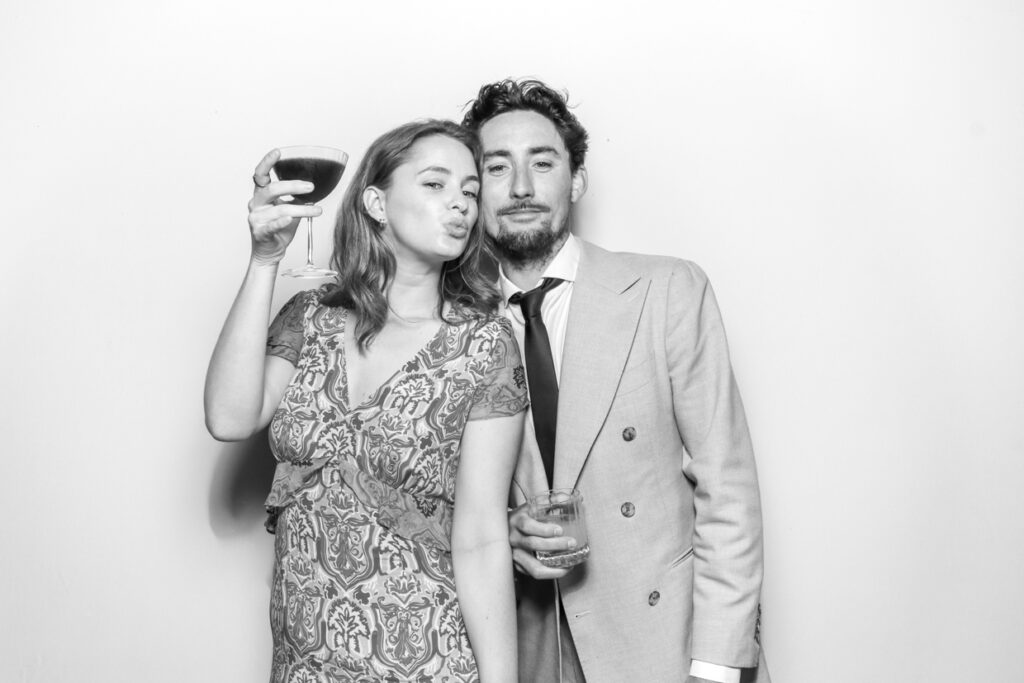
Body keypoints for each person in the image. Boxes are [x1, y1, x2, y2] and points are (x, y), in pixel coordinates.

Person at [461, 79, 770, 683]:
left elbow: (726, 486)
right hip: (526, 645)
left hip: (661, 646)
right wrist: (504, 534)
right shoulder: (454, 326)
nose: (521, 187)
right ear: (474, 194)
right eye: (497, 168)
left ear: (575, 180)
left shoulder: (666, 290)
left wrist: (716, 667)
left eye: (542, 163)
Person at [204, 119, 528, 683]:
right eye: (435, 184)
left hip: (426, 659)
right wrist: (263, 261)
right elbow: (229, 419)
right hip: (303, 660)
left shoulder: (484, 345)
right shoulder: (309, 317)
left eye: (470, 192)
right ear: (376, 201)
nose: (460, 205)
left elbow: (480, 538)